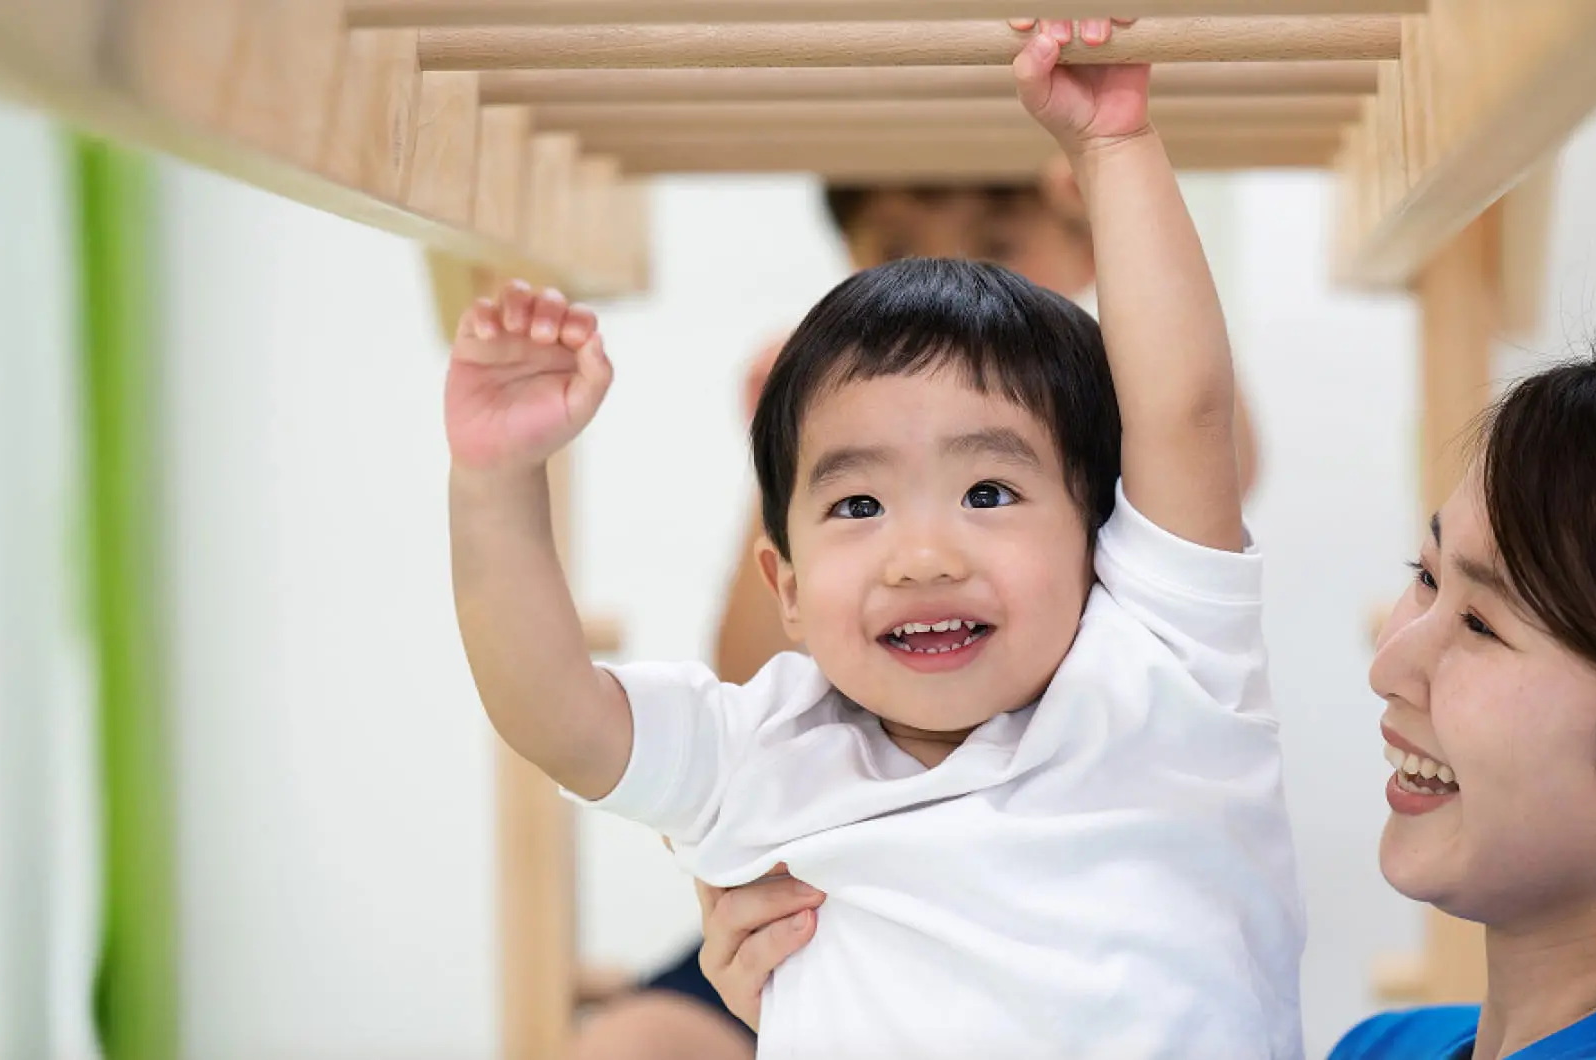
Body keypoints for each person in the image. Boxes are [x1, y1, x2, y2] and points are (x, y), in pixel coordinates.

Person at [444, 20, 1303, 1057]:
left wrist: (1117, 150)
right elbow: (556, 712)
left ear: (1101, 535)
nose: (922, 555)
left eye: (988, 492)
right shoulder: (776, 741)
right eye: (861, 509)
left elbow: (1187, 417)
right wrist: (497, 481)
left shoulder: (1161, 675)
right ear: (788, 582)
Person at [697, 337, 1596, 1060]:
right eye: (1427, 576)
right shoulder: (1379, 1049)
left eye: (1484, 625)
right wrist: (883, 1002)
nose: (1390, 660)